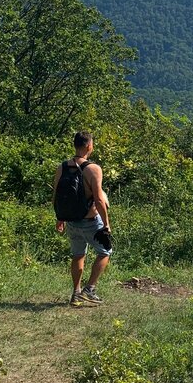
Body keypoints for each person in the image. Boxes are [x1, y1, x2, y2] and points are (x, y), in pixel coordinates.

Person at [53, 131, 113, 307]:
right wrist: (106, 224)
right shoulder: (93, 169)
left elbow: (56, 194)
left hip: (71, 220)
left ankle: (76, 293)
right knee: (105, 251)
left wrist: (60, 217)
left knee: (78, 254)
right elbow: (99, 199)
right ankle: (90, 289)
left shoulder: (62, 167)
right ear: (89, 146)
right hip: (90, 221)